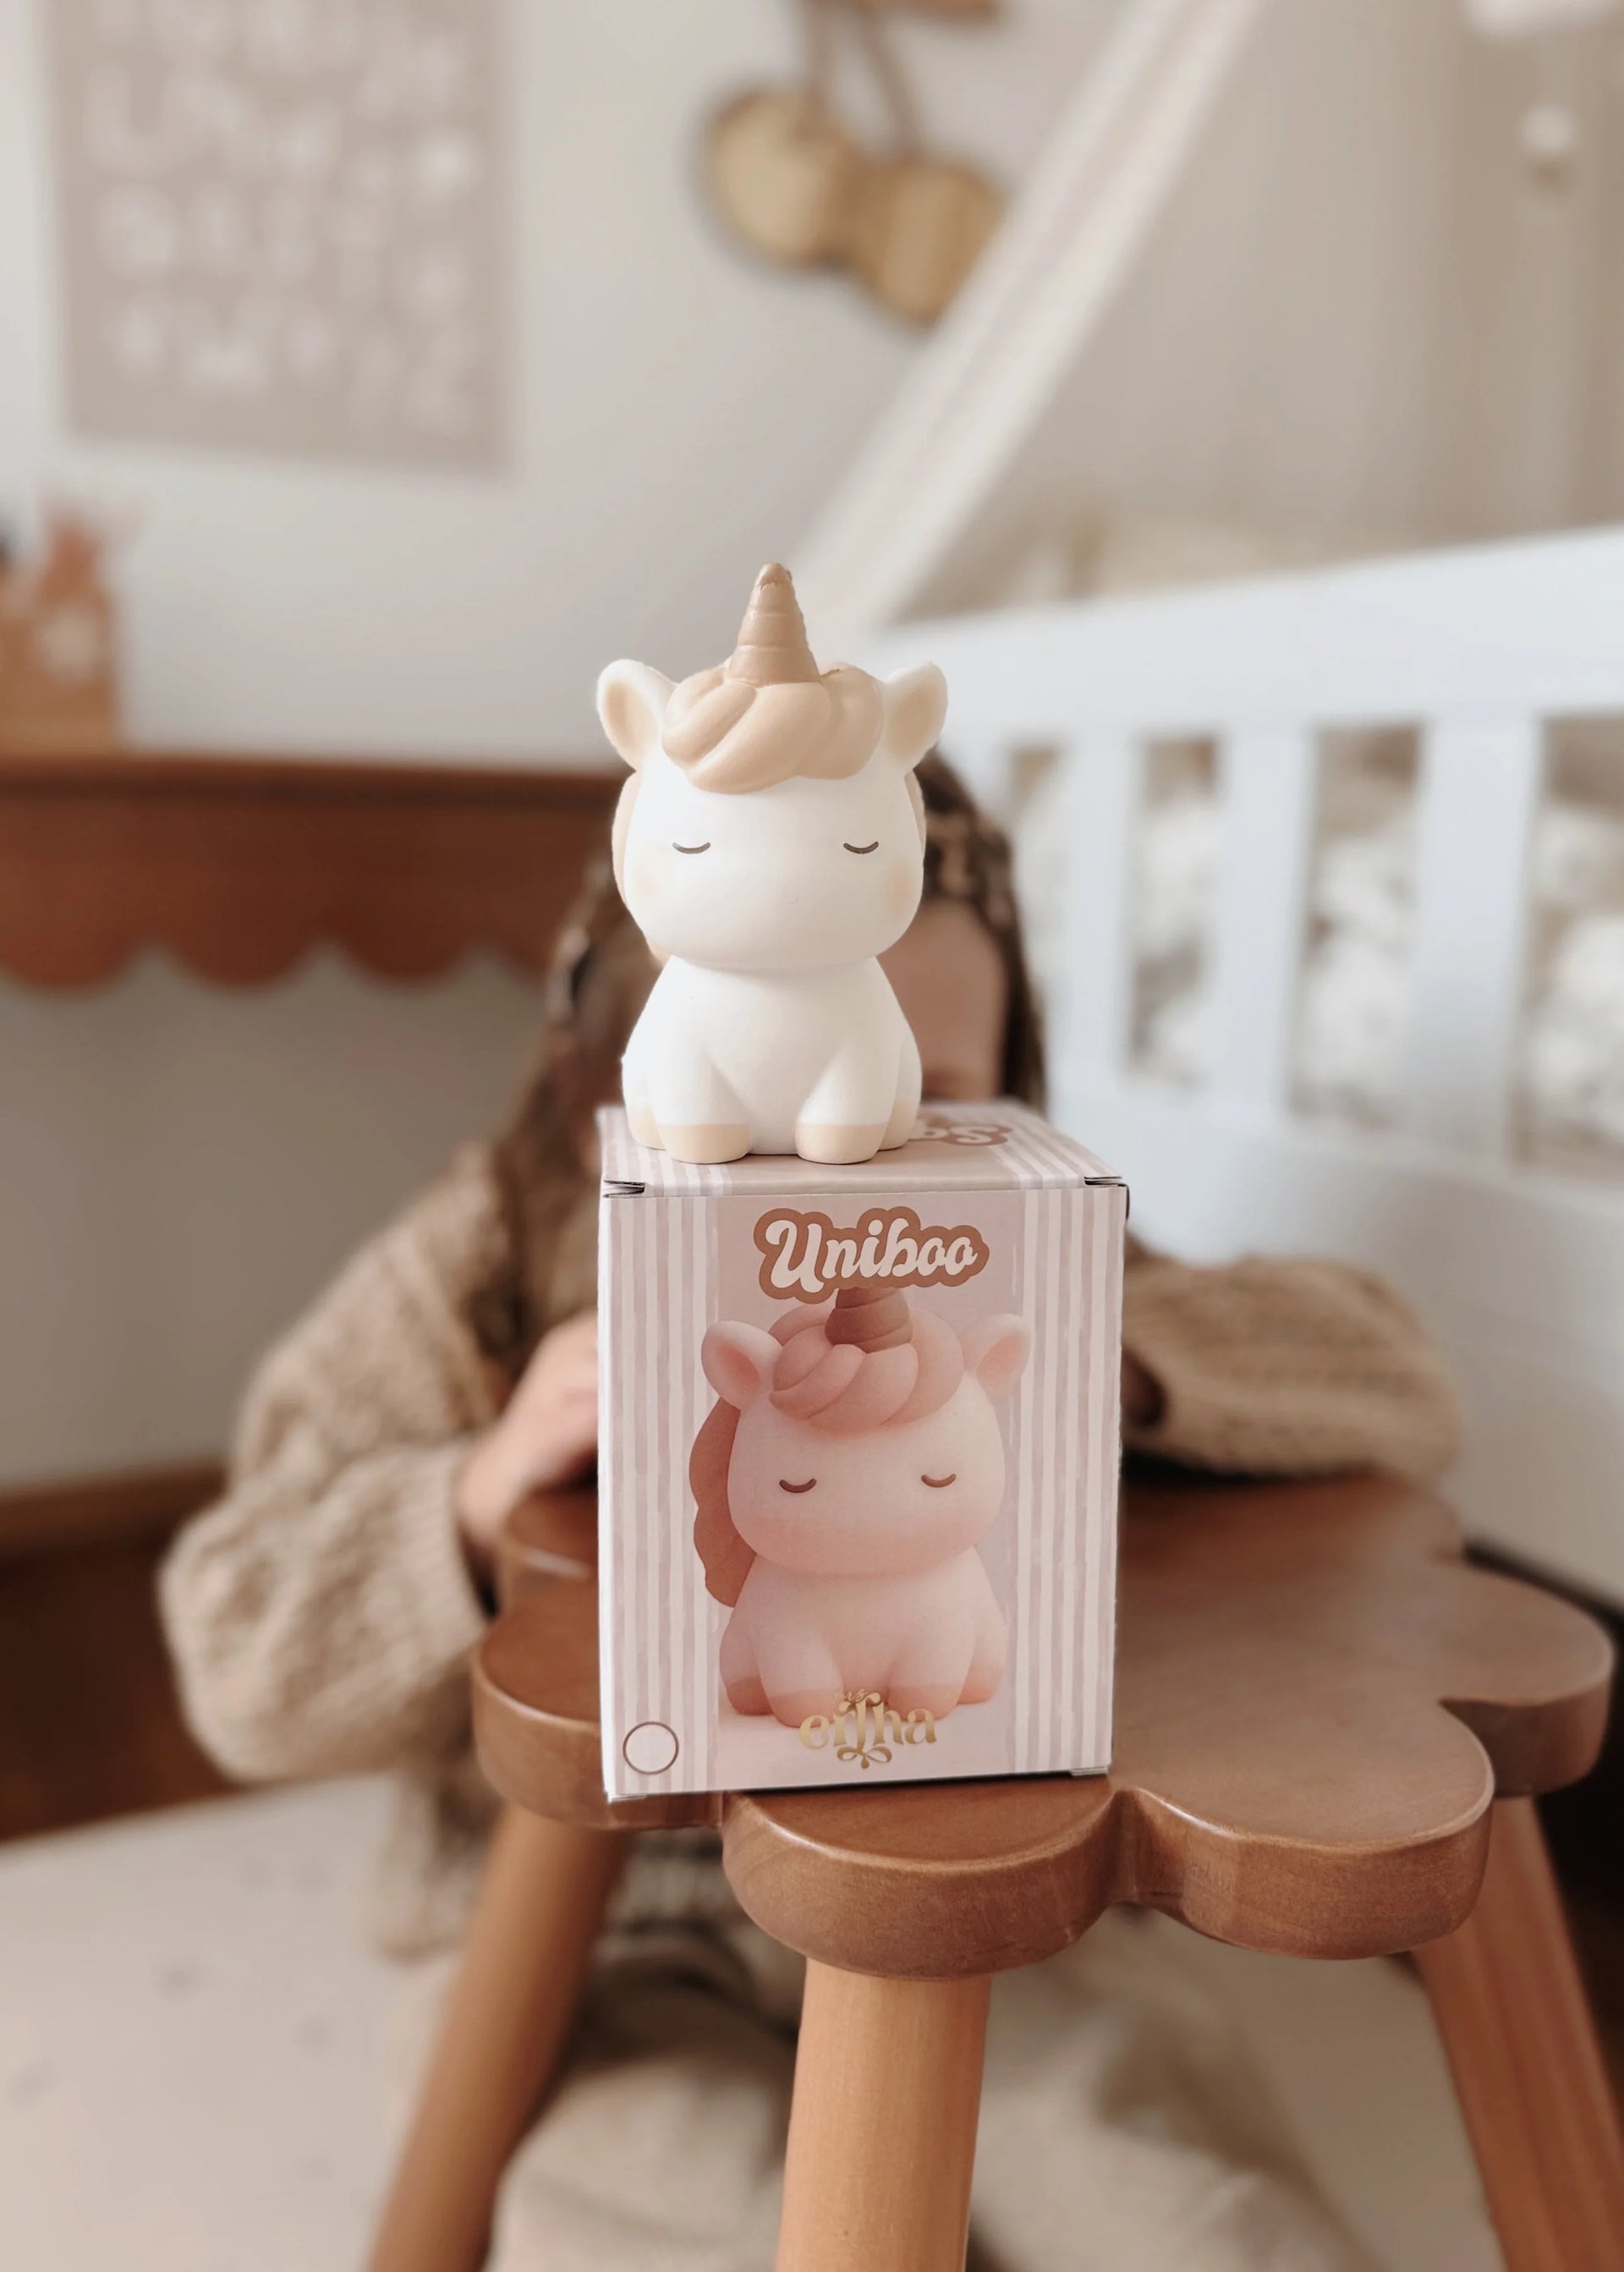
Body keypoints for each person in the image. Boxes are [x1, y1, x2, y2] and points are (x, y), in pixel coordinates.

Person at [161, 756, 1459, 2272]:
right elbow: (233, 1647)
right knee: (626, 2202)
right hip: (596, 1936)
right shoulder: (479, 1260)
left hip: (975, 1898)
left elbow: (1399, 1375)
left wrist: (1120, 1357)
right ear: (607, 1089)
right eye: (771, 1105)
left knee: (1180, 2203)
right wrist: (471, 1490)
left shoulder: (1031, 1256)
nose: (846, 1160)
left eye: (929, 1099)